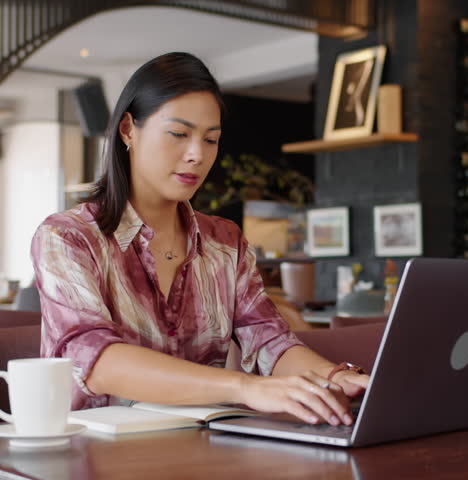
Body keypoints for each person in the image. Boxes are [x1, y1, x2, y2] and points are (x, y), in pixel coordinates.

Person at [31, 52, 369, 427]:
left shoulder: (225, 242)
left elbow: (269, 340)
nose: (197, 155)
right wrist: (245, 388)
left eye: (211, 139)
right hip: (89, 452)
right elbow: (93, 360)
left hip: (196, 446)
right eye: (179, 134)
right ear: (128, 129)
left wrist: (336, 378)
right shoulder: (68, 237)